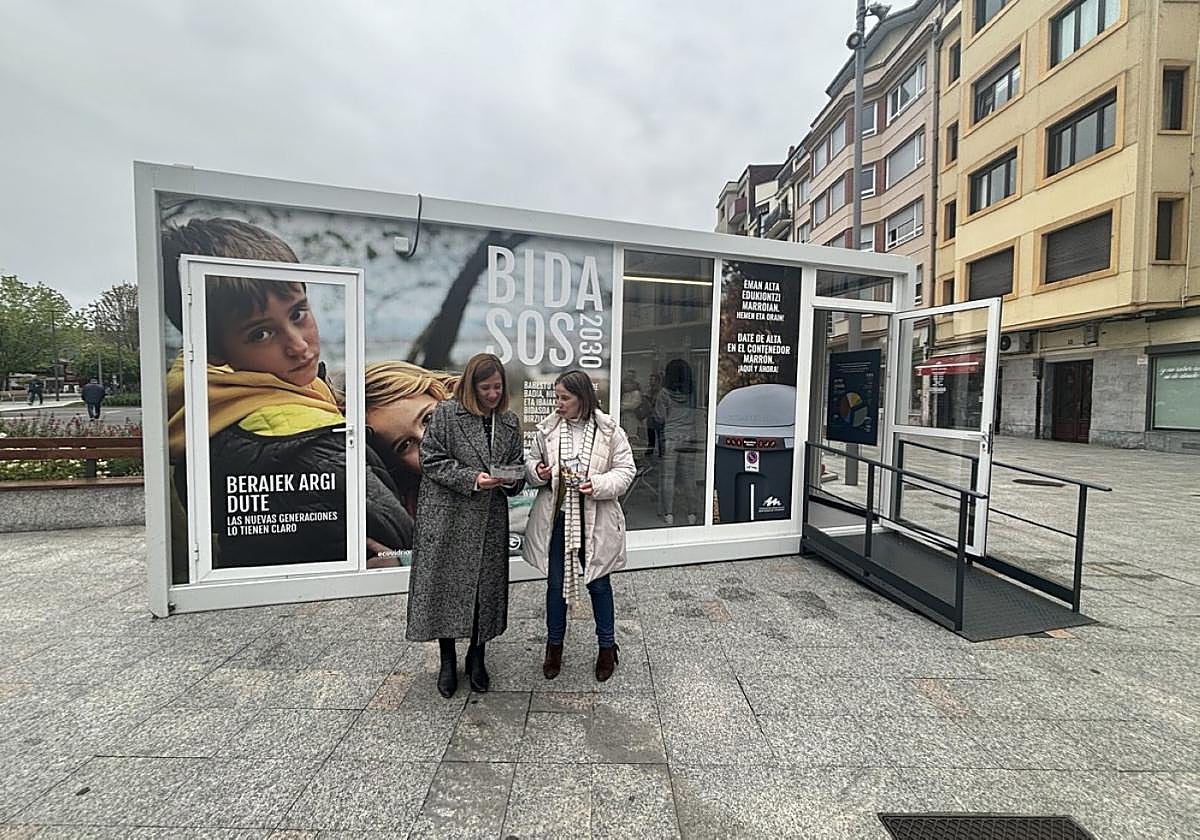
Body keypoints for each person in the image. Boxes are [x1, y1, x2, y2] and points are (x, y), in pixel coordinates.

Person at [161, 218, 408, 570]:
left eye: (298, 313)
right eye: (261, 334)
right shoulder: (309, 443)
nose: (298, 344)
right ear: (212, 351)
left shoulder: (205, 409)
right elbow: (402, 542)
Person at [407, 352, 525, 698]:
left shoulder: (508, 423)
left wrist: (511, 479)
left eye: (498, 387)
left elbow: (516, 468)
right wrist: (472, 478)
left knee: (482, 593)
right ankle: (447, 660)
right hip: (449, 518)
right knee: (446, 588)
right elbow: (430, 459)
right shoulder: (446, 414)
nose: (492, 394)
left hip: (489, 521)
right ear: (472, 386)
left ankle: (477, 654)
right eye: (486, 388)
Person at [523, 370, 635, 682]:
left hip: (596, 519)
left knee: (599, 583)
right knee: (556, 586)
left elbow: (626, 470)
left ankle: (606, 647)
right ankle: (554, 647)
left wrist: (596, 484)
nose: (558, 403)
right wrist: (539, 472)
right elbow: (530, 465)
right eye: (556, 396)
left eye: (564, 398)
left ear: (582, 399)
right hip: (557, 520)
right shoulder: (547, 430)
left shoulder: (609, 430)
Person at [362, 360, 458, 564]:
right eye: (404, 445)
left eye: (428, 418)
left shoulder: (510, 466)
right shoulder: (411, 510)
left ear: (444, 396)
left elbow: (519, 547)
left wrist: (403, 563)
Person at [654, 359, 701, 526]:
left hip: (670, 438)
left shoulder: (664, 394)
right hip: (690, 437)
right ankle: (692, 514)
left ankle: (668, 514)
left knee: (668, 478)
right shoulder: (692, 392)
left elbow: (659, 417)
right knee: (689, 477)